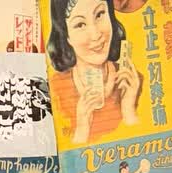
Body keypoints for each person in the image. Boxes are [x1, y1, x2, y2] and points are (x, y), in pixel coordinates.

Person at [46, 0, 142, 146]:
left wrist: (129, 112)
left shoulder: (133, 83)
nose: (96, 35)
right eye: (80, 25)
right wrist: (82, 129)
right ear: (66, 35)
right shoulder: (54, 91)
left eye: (99, 14)